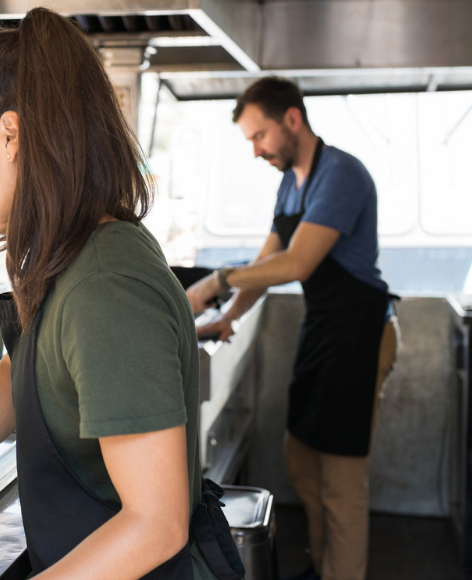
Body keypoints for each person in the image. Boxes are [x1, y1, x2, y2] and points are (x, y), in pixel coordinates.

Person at [0, 9, 244, 580]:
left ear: (10, 135)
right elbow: (26, 369)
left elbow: (156, 524)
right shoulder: (74, 254)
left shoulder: (107, 285)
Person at [186, 77, 400, 580]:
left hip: (361, 334)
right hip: (323, 331)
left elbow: (298, 263)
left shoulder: (341, 174)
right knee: (303, 465)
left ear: (292, 120)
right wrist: (228, 315)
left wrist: (215, 281)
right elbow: (269, 260)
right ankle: (326, 567)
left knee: (341, 483)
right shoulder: (290, 181)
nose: (256, 151)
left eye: (259, 137)